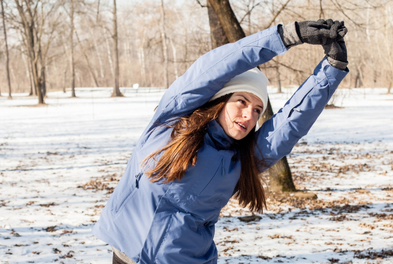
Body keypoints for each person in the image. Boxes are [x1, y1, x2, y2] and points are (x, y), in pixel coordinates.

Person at [93, 19, 349, 264]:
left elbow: (289, 126)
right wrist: (286, 36)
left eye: (258, 110)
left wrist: (333, 68)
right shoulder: (170, 121)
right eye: (242, 102)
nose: (250, 115)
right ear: (221, 99)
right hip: (126, 253)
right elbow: (216, 67)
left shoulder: (240, 160)